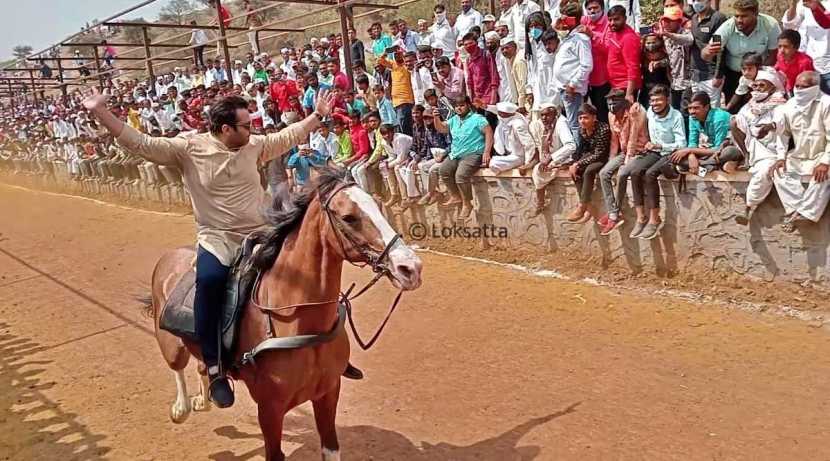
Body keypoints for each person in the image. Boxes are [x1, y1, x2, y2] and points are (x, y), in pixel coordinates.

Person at [78, 86, 367, 408]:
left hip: (261, 233)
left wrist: (316, 116)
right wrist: (101, 112)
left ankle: (333, 353)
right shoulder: (188, 148)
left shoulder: (254, 145)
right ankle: (215, 368)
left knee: (308, 271)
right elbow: (141, 144)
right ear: (225, 128)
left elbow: (287, 136)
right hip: (218, 239)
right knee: (211, 284)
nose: (253, 130)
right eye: (246, 125)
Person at [770, 71, 830, 232]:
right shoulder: (790, 105)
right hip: (800, 156)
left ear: (815, 87)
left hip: (822, 155)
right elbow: (783, 133)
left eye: (804, 87)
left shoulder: (826, 103)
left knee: (825, 175)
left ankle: (805, 212)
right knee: (777, 171)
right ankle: (797, 209)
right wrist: (780, 157)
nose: (799, 90)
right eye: (797, 86)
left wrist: (825, 162)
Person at [727, 69, 788, 224]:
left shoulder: (780, 105)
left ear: (772, 87)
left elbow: (783, 129)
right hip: (753, 145)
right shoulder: (751, 104)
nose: (758, 89)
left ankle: (748, 208)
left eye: (762, 86)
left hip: (773, 149)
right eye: (755, 86)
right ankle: (746, 156)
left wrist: (768, 127)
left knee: (763, 173)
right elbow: (740, 123)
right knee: (735, 120)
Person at [626, 85, 687, 239]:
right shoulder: (650, 114)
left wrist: (661, 146)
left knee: (650, 174)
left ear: (667, 99)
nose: (655, 104)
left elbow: (682, 143)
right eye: (652, 100)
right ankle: (641, 217)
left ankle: (655, 218)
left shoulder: (676, 116)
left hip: (670, 153)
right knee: (634, 172)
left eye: (658, 100)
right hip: (654, 152)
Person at [702, 0, 781, 107]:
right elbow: (705, 55)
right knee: (734, 108)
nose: (739, 20)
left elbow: (773, 56)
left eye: (744, 16)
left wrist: (756, 77)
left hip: (761, 74)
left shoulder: (770, 25)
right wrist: (708, 51)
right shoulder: (726, 27)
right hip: (733, 75)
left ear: (756, 14)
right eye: (737, 16)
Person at [433, 96, 494, 218]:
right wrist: (436, 117)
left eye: (461, 105)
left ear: (468, 105)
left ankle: (467, 203)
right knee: (443, 170)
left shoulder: (477, 118)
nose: (459, 108)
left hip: (473, 153)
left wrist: (487, 151)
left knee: (460, 175)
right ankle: (456, 196)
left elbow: (489, 132)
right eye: (456, 106)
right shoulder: (454, 119)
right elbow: (442, 128)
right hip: (456, 154)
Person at [598, 89, 648, 232]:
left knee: (622, 173)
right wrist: (611, 161)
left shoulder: (635, 112)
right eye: (609, 102)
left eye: (615, 102)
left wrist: (626, 161)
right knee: (604, 173)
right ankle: (613, 211)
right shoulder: (611, 116)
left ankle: (614, 215)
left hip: (640, 151)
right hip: (624, 151)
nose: (611, 106)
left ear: (623, 103)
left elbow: (633, 138)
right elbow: (615, 141)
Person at [552, 3, 593, 143]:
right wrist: (558, 23)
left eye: (566, 18)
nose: (562, 21)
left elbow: (586, 65)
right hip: (564, 87)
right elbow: (554, 28)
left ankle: (577, 155)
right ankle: (576, 153)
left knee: (575, 123)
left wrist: (572, 84)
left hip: (572, 89)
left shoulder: (581, 39)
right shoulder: (568, 36)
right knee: (572, 122)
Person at [672, 91, 740, 173]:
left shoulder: (719, 117)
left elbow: (718, 149)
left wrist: (689, 151)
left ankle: (702, 168)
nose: (692, 112)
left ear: (707, 107)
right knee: (675, 157)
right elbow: (692, 143)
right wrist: (691, 156)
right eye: (690, 108)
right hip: (711, 151)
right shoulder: (693, 118)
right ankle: (708, 168)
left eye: (696, 108)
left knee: (729, 152)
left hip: (728, 148)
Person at [529, 103, 577, 216]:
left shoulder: (561, 124)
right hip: (549, 158)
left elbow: (571, 146)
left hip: (563, 158)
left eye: (547, 115)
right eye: (542, 115)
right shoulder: (540, 124)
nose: (544, 118)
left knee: (538, 170)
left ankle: (540, 202)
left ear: (555, 115)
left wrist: (551, 157)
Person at [567, 104, 611, 223]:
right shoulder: (582, 130)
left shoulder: (603, 129)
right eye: (580, 118)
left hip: (603, 157)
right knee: (574, 171)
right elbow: (581, 150)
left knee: (589, 171)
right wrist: (574, 163)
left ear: (594, 117)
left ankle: (582, 206)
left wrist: (578, 164)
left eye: (586, 118)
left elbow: (599, 153)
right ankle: (590, 207)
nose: (583, 121)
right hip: (590, 155)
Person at [783, 0, 830, 95]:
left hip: (826, 67)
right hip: (804, 66)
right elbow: (789, 26)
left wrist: (817, 8)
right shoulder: (802, 4)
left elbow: (827, 22)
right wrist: (793, 4)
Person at [689, 0, 728, 108]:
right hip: (695, 74)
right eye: (694, 0)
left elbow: (721, 48)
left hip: (711, 75)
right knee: (697, 107)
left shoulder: (718, 18)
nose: (696, 2)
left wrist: (718, 75)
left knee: (712, 109)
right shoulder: (694, 18)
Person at [581, 0, 612, 122]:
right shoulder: (584, 21)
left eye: (595, 8)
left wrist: (592, 35)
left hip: (602, 77)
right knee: (584, 111)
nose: (592, 11)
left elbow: (608, 48)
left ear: (602, 8)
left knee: (601, 112)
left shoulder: (608, 24)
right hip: (585, 77)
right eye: (589, 8)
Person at [606, 6, 642, 105]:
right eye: (610, 20)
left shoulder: (629, 38)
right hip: (616, 86)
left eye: (616, 19)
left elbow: (633, 67)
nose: (612, 23)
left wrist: (629, 93)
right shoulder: (614, 32)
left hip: (625, 88)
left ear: (625, 19)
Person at [489, 102, 535, 173]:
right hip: (508, 154)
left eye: (501, 113)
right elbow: (496, 110)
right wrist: (486, 106)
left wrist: (527, 163)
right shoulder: (504, 121)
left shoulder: (518, 125)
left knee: (494, 163)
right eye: (499, 113)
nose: (499, 115)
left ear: (509, 114)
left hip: (519, 156)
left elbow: (529, 145)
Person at [379, 49, 416, 135]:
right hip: (396, 102)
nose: (397, 56)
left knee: (404, 127)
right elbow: (380, 60)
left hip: (405, 100)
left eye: (399, 54)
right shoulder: (393, 65)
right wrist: (386, 52)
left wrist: (401, 49)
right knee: (402, 126)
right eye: (395, 55)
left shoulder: (406, 66)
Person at [462, 32, 500, 107]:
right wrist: (472, 99)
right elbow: (470, 81)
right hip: (477, 99)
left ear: (476, 43)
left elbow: (494, 76)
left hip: (489, 96)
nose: (468, 46)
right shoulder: (468, 60)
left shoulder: (486, 55)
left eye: (470, 43)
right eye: (465, 45)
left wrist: (493, 98)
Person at [774, 29, 816, 94]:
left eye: (786, 47)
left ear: (796, 47)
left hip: (801, 90)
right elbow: (777, 67)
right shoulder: (780, 56)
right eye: (779, 46)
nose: (781, 50)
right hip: (787, 87)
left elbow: (808, 84)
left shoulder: (805, 63)